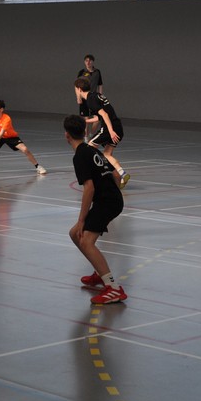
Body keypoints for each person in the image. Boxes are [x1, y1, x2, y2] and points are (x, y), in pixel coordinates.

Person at [64, 114, 127, 304]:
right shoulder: (93, 150)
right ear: (84, 132)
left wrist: (81, 220)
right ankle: (100, 273)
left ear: (67, 135)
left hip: (107, 202)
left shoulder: (80, 156)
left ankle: (113, 289)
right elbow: (116, 175)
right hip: (111, 199)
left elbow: (89, 188)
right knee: (74, 234)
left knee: (85, 240)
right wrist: (112, 194)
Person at [73, 77, 129, 188]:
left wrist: (111, 131)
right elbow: (99, 117)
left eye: (75, 89)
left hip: (110, 128)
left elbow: (105, 115)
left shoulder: (90, 100)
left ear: (79, 89)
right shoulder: (96, 95)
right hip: (117, 126)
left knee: (89, 147)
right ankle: (122, 173)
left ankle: (96, 175)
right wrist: (85, 121)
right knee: (107, 154)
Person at [76, 54, 104, 140]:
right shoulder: (82, 72)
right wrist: (78, 97)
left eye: (90, 61)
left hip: (93, 97)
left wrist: (100, 96)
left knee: (98, 117)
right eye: (86, 61)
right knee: (86, 118)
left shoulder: (97, 72)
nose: (88, 62)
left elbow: (100, 85)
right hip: (84, 97)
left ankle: (91, 134)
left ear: (93, 62)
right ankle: (86, 137)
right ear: (84, 62)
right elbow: (77, 86)